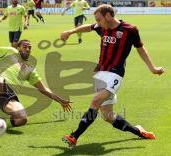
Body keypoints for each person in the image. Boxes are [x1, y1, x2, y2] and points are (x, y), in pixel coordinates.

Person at [60, 4, 164, 148]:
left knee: (95, 100)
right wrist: (70, 31)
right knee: (108, 116)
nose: (97, 23)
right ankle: (140, 132)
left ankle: (74, 136)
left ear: (108, 16)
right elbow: (88, 27)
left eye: (99, 19)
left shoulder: (129, 30)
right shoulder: (102, 27)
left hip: (115, 73)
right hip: (100, 73)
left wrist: (152, 68)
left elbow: (140, 48)